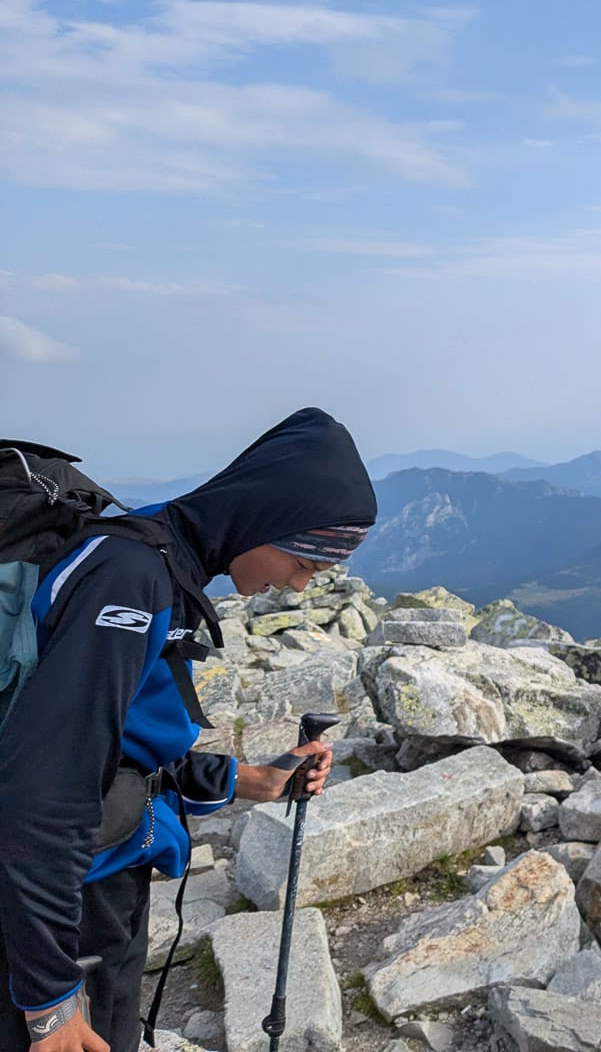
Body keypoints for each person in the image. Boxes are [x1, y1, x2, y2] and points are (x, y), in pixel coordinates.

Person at [0, 408, 378, 1052]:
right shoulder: (131, 577)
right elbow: (46, 792)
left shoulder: (159, 564)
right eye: (305, 561)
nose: (299, 582)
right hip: (61, 911)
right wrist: (49, 1004)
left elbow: (114, 748)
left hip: (93, 886)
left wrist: (250, 780)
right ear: (264, 519)